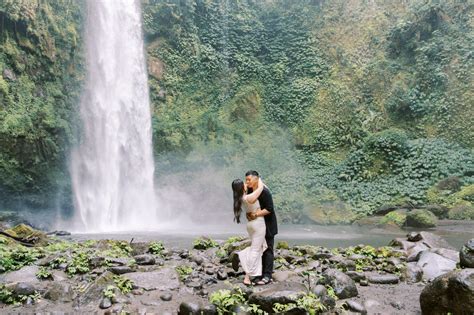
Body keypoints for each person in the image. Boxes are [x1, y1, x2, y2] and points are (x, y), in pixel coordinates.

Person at [231, 176, 267, 286]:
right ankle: (247, 277)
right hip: (258, 224)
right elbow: (261, 188)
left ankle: (240, 256)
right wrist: (258, 179)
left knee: (260, 247)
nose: (246, 184)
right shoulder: (247, 198)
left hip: (251, 225)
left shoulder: (241, 198)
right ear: (242, 187)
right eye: (244, 183)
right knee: (255, 250)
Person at [245, 170, 278, 285]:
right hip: (257, 225)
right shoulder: (250, 189)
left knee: (268, 249)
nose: (247, 182)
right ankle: (258, 274)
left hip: (268, 224)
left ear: (256, 179)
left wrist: (255, 214)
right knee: (258, 249)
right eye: (246, 180)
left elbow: (269, 208)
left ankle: (267, 275)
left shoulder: (264, 191)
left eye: (249, 179)